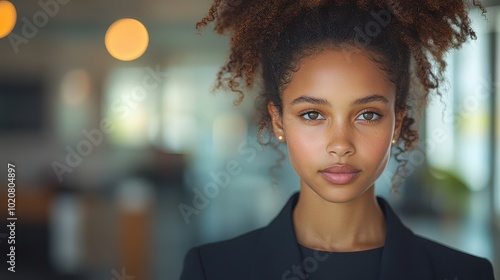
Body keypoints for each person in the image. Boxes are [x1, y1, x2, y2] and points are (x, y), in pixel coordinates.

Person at [180, 1, 496, 279]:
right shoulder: (213, 270)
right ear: (279, 121)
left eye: (368, 114)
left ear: (397, 123)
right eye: (313, 114)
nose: (340, 144)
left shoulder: (465, 273)